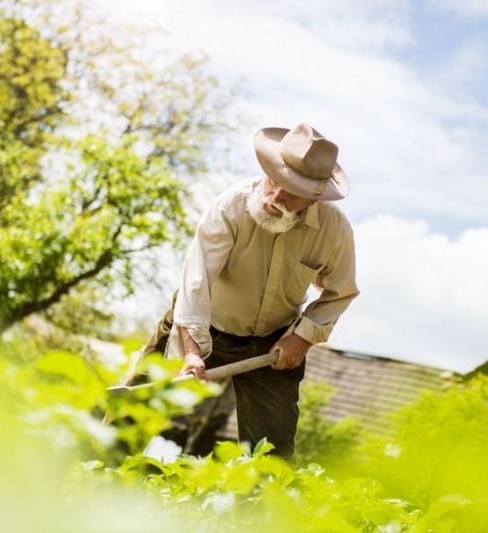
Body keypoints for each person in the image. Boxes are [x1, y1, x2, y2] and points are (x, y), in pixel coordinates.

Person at [141, 122, 359, 458]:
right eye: (275, 180)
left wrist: (301, 338)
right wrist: (191, 350)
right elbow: (196, 281)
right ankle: (90, 481)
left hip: (271, 345)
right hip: (199, 320)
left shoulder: (335, 231)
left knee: (270, 455)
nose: (275, 196)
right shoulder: (230, 206)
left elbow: (339, 293)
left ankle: (256, 509)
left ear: (315, 197)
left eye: (291, 191)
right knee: (135, 407)